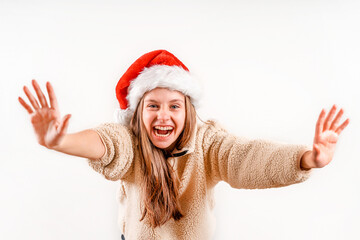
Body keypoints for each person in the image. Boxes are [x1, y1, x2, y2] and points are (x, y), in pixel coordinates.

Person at [18, 50, 349, 240]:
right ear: (138, 113)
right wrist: (60, 141)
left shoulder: (207, 143)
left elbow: (247, 159)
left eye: (174, 105)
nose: (164, 116)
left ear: (188, 110)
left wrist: (306, 159)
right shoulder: (131, 143)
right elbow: (107, 144)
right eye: (153, 105)